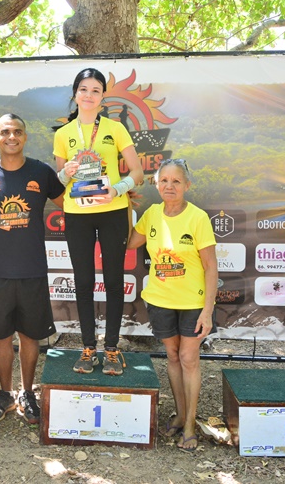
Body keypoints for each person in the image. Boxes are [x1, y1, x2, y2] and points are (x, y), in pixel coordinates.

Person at [0, 114, 64, 423]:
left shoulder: (42, 171)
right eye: (5, 132)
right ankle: (6, 394)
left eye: (17, 132)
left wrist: (113, 196)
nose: (12, 136)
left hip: (32, 267)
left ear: (25, 136)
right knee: (1, 337)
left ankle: (28, 394)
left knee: (30, 335)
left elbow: (69, 203)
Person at [53, 68, 144, 375]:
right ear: (75, 94)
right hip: (77, 213)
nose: (89, 95)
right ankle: (88, 347)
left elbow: (137, 173)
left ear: (103, 96)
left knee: (115, 279)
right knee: (83, 281)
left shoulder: (115, 128)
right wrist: (69, 171)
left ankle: (113, 349)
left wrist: (116, 190)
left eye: (95, 90)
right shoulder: (63, 134)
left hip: (112, 211)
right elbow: (59, 181)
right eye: (83, 89)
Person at [128, 158, 217, 452]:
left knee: (189, 358)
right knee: (173, 356)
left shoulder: (198, 218)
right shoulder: (151, 215)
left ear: (187, 186)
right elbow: (130, 243)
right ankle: (180, 415)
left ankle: (190, 424)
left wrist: (208, 310)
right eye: (164, 180)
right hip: (160, 300)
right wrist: (125, 206)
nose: (169, 186)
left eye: (176, 181)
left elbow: (211, 267)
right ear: (156, 184)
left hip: (192, 302)